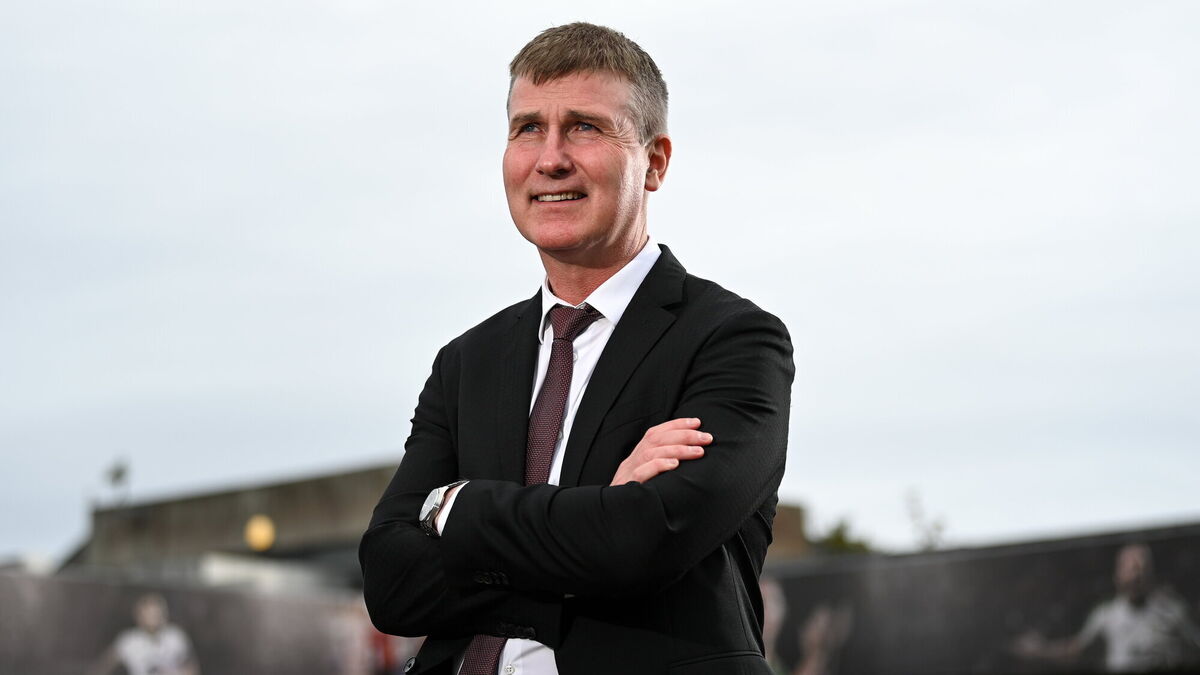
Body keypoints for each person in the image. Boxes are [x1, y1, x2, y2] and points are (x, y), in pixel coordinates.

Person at [359, 22, 794, 675]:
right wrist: (598, 507)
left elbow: (642, 542)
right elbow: (391, 584)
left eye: (584, 127)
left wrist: (457, 507)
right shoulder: (466, 363)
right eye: (528, 128)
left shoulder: (732, 340)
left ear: (655, 162)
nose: (550, 158)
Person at [1012, 543, 1200, 672]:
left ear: (1151, 574)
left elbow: (1195, 645)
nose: (1136, 574)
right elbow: (1075, 651)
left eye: (1142, 568)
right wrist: (1039, 650)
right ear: (1117, 575)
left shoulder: (1173, 611)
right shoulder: (1106, 615)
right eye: (1130, 568)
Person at [90, 593, 200, 675]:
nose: (154, 617)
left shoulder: (176, 637)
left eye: (157, 612)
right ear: (139, 615)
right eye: (149, 613)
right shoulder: (129, 641)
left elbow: (192, 668)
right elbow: (103, 667)